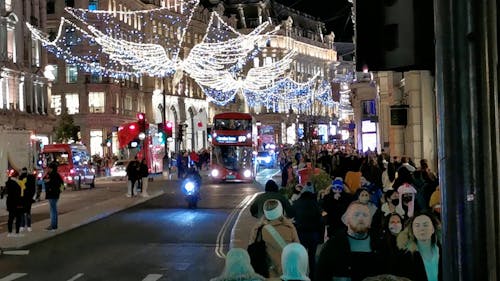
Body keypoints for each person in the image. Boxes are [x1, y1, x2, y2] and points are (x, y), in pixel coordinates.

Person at [316, 201, 384, 281]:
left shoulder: (380, 245)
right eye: (356, 215)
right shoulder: (333, 245)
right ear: (347, 219)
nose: (361, 218)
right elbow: (321, 275)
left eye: (365, 215)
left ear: (370, 221)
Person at [249, 199, 300, 278]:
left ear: (265, 213)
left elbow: (252, 246)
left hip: (268, 273)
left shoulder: (259, 229)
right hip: (287, 271)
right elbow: (298, 248)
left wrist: (259, 223)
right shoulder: (289, 228)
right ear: (280, 211)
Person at [395, 212, 442, 281]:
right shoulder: (405, 257)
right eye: (417, 225)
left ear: (433, 229)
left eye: (425, 225)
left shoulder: (445, 252)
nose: (421, 229)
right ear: (412, 231)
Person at [292, 183, 323, 280]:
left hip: (300, 234)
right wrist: (321, 238)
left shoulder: (297, 203)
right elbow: (321, 222)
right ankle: (312, 276)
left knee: (300, 257)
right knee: (312, 257)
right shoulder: (316, 204)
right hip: (313, 235)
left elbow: (292, 217)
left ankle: (301, 276)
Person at [1, 170, 24, 237]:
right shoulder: (16, 184)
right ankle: (17, 232)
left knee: (11, 218)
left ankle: (10, 232)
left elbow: (4, 193)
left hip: (10, 203)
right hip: (16, 203)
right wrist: (20, 204)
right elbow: (17, 195)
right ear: (17, 176)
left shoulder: (8, 183)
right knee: (18, 218)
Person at [44, 162, 64, 231]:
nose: (48, 169)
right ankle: (54, 225)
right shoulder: (57, 175)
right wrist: (60, 190)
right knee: (53, 210)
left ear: (51, 168)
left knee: (53, 210)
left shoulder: (51, 175)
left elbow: (45, 180)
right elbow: (62, 183)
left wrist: (47, 180)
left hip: (51, 194)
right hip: (55, 194)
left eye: (49, 168)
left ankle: (53, 225)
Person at [19, 167, 36, 232]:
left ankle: (23, 226)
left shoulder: (22, 178)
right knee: (27, 212)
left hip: (23, 198)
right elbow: (33, 189)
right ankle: (27, 226)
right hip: (27, 198)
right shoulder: (30, 178)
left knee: (22, 212)